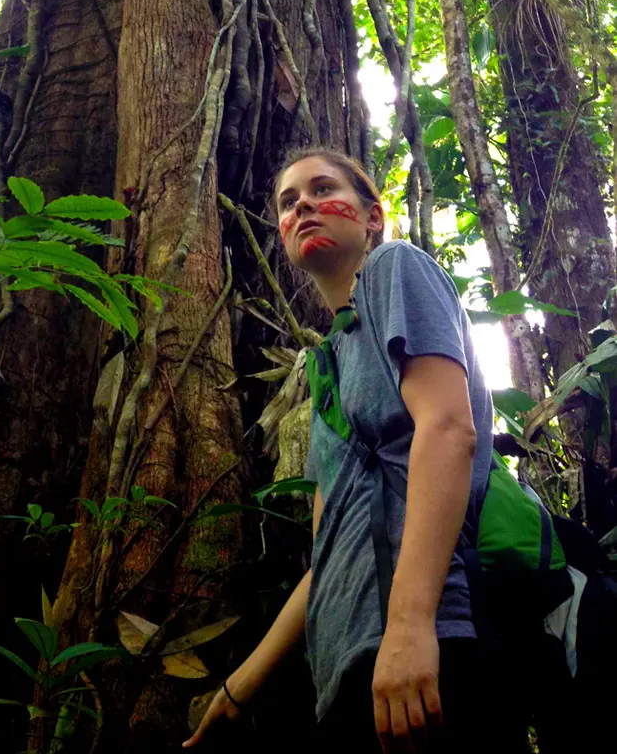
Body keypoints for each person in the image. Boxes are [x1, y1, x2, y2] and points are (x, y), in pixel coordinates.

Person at [183, 148, 527, 753]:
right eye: (289, 202)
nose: (304, 205)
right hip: (349, 667)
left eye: (322, 189)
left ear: (372, 217)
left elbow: (448, 429)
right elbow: (328, 551)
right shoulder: (325, 368)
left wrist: (410, 625)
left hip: (432, 644)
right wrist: (243, 686)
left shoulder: (396, 267)